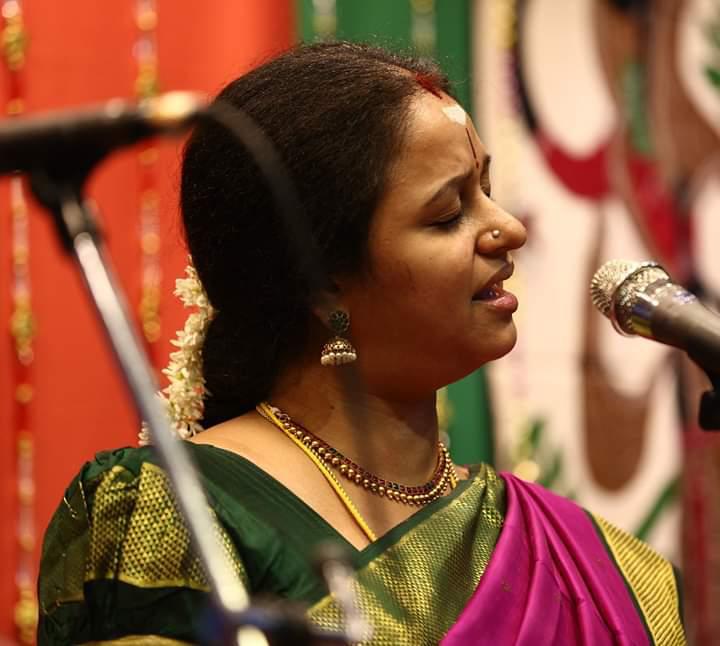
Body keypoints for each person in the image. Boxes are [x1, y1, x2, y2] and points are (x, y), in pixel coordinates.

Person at [37, 42, 685, 645]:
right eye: (448, 214)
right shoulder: (178, 512)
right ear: (321, 282)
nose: (508, 229)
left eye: (486, 191)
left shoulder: (582, 560)